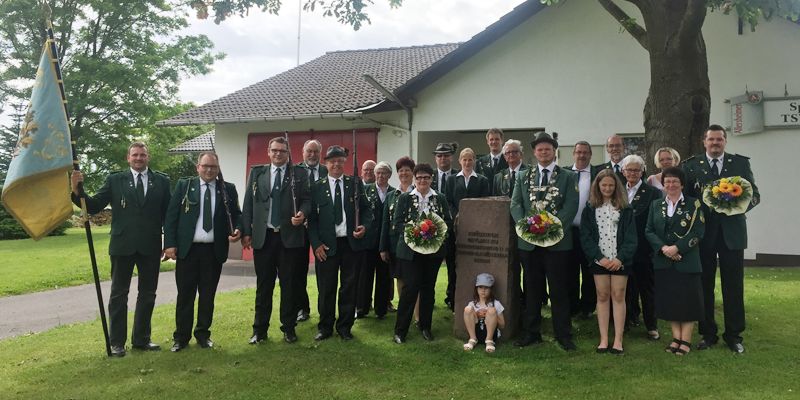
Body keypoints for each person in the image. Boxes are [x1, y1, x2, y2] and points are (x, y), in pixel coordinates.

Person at [70, 142, 171, 357]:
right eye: (135, 155)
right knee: (118, 295)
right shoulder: (115, 180)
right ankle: (117, 342)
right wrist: (77, 190)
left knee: (148, 294)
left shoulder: (161, 181)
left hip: (150, 246)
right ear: (128, 158)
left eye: (142, 155)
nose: (138, 158)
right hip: (122, 245)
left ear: (148, 157)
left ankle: (142, 340)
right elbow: (95, 205)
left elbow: (168, 216)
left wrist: (169, 243)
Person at [682, 124, 760, 354]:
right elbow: (686, 199)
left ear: (725, 141)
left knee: (733, 286)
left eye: (719, 140)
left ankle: (734, 335)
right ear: (704, 142)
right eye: (711, 140)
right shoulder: (692, 165)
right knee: (704, 285)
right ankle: (708, 334)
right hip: (704, 235)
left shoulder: (740, 164)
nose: (715, 144)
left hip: (732, 235)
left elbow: (754, 195)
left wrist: (737, 206)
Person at [164, 152, 242, 351]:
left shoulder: (227, 189)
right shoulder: (185, 186)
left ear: (218, 169)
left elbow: (237, 215)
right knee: (185, 296)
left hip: (213, 251)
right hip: (188, 251)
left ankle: (203, 334)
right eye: (205, 166)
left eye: (213, 167)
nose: (209, 170)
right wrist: (169, 244)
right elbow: (172, 216)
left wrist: (238, 230)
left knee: (208, 295)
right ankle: (181, 337)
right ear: (197, 167)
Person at [511, 132, 579, 351]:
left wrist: (552, 228)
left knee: (559, 289)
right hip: (529, 243)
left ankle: (563, 334)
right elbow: (516, 204)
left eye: (547, 149)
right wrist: (527, 227)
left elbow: (571, 206)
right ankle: (531, 332)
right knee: (532, 289)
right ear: (534, 152)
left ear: (554, 152)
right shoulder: (523, 176)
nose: (543, 152)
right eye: (540, 149)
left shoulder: (568, 176)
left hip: (557, 244)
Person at [241, 137, 311, 344]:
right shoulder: (257, 173)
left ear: (288, 153)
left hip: (289, 238)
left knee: (289, 286)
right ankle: (259, 330)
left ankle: (288, 328)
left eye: (282, 151)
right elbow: (248, 204)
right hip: (264, 238)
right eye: (275, 150)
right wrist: (246, 232)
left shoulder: (299, 173)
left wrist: (303, 213)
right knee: (264, 287)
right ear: (268, 152)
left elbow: (307, 199)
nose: (278, 154)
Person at [308, 145, 373, 341]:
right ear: (325, 163)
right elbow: (311, 220)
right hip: (326, 247)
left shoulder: (354, 183)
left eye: (340, 160)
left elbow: (367, 210)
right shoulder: (316, 187)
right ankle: (325, 327)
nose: (336, 164)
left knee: (349, 287)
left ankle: (345, 327)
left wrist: (364, 226)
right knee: (326, 288)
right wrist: (316, 244)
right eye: (332, 160)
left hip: (350, 244)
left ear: (344, 162)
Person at [645, 167, 705, 356]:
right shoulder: (656, 205)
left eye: (675, 181)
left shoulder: (693, 204)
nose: (671, 185)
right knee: (671, 301)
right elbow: (649, 230)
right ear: (663, 184)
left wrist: (677, 248)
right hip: (664, 261)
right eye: (667, 181)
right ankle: (675, 338)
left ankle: (685, 340)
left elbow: (698, 232)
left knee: (687, 302)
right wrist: (664, 249)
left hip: (687, 262)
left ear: (682, 184)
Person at [390, 163, 453, 343]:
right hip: (410, 253)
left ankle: (426, 327)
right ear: (414, 179)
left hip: (433, 253)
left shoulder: (439, 198)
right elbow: (398, 223)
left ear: (431, 179)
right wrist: (415, 231)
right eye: (419, 178)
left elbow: (447, 222)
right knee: (410, 289)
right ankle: (400, 330)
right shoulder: (405, 198)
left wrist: (436, 234)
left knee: (428, 290)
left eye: (426, 177)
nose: (422, 181)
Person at [580, 169, 637, 355]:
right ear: (597, 186)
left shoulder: (625, 208)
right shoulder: (590, 208)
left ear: (616, 186)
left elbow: (631, 238)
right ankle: (604, 339)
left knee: (618, 295)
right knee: (602, 296)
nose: (607, 188)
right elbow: (586, 237)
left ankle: (618, 340)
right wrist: (600, 258)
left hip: (620, 260)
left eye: (611, 185)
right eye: (604, 185)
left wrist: (620, 258)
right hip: (600, 260)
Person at [620, 155, 661, 340]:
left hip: (644, 248)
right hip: (622, 248)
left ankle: (651, 325)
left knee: (647, 288)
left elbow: (655, 222)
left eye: (636, 170)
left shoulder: (652, 192)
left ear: (642, 171)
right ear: (623, 171)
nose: (632, 173)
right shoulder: (617, 190)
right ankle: (627, 320)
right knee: (625, 287)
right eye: (629, 169)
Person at [356, 161, 395, 319]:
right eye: (378, 173)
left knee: (384, 276)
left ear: (389, 175)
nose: (380, 176)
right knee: (365, 276)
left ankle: (381, 309)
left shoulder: (394, 192)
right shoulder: (366, 190)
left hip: (385, 242)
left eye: (384, 173)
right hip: (368, 242)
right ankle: (362, 308)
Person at [295, 139, 328, 323]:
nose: (312, 155)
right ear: (303, 152)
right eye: (309, 151)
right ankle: (302, 308)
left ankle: (324, 309)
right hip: (299, 228)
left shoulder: (327, 170)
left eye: (316, 151)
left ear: (320, 153)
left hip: (322, 228)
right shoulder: (294, 171)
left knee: (323, 270)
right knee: (299, 270)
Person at [566, 141, 598, 320]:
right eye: (578, 152)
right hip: (569, 230)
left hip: (588, 231)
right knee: (569, 270)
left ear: (590, 154)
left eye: (585, 152)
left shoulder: (597, 174)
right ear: (573, 153)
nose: (582, 155)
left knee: (588, 270)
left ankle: (587, 307)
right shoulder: (564, 173)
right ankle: (572, 306)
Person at [380, 157, 416, 314]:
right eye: (401, 171)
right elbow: (385, 224)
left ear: (413, 172)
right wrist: (383, 248)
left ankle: (417, 312)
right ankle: (404, 310)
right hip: (396, 245)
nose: (404, 173)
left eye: (407, 170)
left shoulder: (418, 192)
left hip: (417, 244)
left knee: (415, 280)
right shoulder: (391, 195)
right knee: (400, 278)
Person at [431, 142, 459, 311]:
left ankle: (453, 297)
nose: (443, 158)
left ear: (452, 157)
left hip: (453, 229)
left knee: (453, 266)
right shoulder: (429, 176)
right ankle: (429, 298)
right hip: (432, 229)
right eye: (440, 155)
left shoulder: (458, 176)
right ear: (435, 158)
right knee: (431, 266)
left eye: (446, 155)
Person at [463, 273, 506, 353]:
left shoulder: (496, 303)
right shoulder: (472, 304)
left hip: (491, 335)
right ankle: (472, 339)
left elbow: (502, 325)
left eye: (486, 287)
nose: (483, 290)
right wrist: (477, 315)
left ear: (491, 289)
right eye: (480, 287)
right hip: (476, 333)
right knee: (467, 309)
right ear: (476, 289)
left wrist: (490, 315)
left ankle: (489, 341)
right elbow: (469, 319)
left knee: (492, 310)